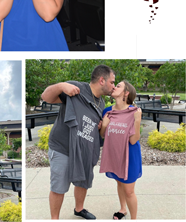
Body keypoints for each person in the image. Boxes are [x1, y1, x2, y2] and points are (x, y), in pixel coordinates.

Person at [40, 64, 116, 219]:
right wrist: (61, 86)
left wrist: (101, 126)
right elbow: (45, 97)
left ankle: (79, 209)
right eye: (112, 82)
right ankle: (54, 218)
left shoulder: (101, 103)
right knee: (59, 186)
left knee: (83, 181)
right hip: (63, 147)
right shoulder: (75, 88)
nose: (113, 86)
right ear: (102, 80)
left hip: (83, 150)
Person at [99, 81, 142, 220]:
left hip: (130, 155)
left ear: (126, 92)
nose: (114, 87)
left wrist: (137, 121)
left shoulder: (134, 112)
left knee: (129, 191)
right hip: (115, 154)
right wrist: (104, 126)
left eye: (118, 86)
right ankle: (123, 209)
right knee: (119, 182)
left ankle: (134, 219)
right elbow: (103, 135)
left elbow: (133, 140)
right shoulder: (107, 111)